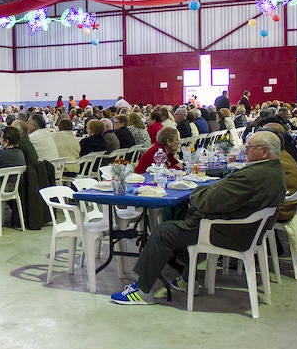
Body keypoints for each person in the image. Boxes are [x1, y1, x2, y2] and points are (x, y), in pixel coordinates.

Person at [111, 131, 286, 305]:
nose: (245, 151)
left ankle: (142, 290)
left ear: (264, 152)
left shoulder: (252, 175)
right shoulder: (273, 171)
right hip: (245, 230)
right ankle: (188, 279)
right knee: (178, 221)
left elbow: (207, 201)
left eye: (250, 147)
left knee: (164, 231)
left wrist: (197, 193)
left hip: (225, 232)